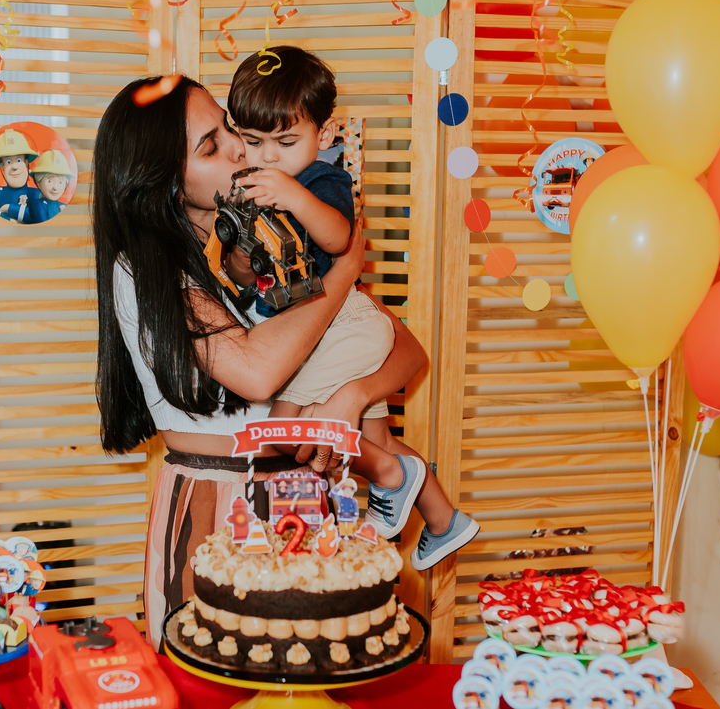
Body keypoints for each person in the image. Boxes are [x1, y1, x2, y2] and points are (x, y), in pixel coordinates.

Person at [94, 75, 433, 648]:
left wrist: (348, 400)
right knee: (220, 673)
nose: (237, 148)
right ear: (166, 183)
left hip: (298, 492)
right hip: (217, 498)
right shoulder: (143, 271)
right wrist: (344, 270)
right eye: (210, 145)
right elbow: (256, 371)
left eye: (228, 127)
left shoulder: (249, 262)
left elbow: (408, 352)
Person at [228, 46, 478, 564]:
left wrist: (294, 198)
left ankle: (391, 478)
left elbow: (340, 238)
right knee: (376, 436)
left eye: (286, 141)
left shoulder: (322, 181)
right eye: (252, 142)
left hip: (341, 326)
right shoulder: (255, 185)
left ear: (323, 136)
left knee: (283, 427)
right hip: (335, 329)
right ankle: (443, 518)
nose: (268, 157)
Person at [0, 129, 40, 223]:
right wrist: (10, 220)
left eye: (18, 160)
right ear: (2, 166)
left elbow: (40, 217)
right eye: (8, 162)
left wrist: (8, 208)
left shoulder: (37, 194)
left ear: (26, 162)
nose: (14, 167)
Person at [27, 148, 73, 224]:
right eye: (50, 181)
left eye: (60, 182)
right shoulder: (37, 205)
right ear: (38, 181)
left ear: (66, 184)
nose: (55, 187)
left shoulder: (63, 206)